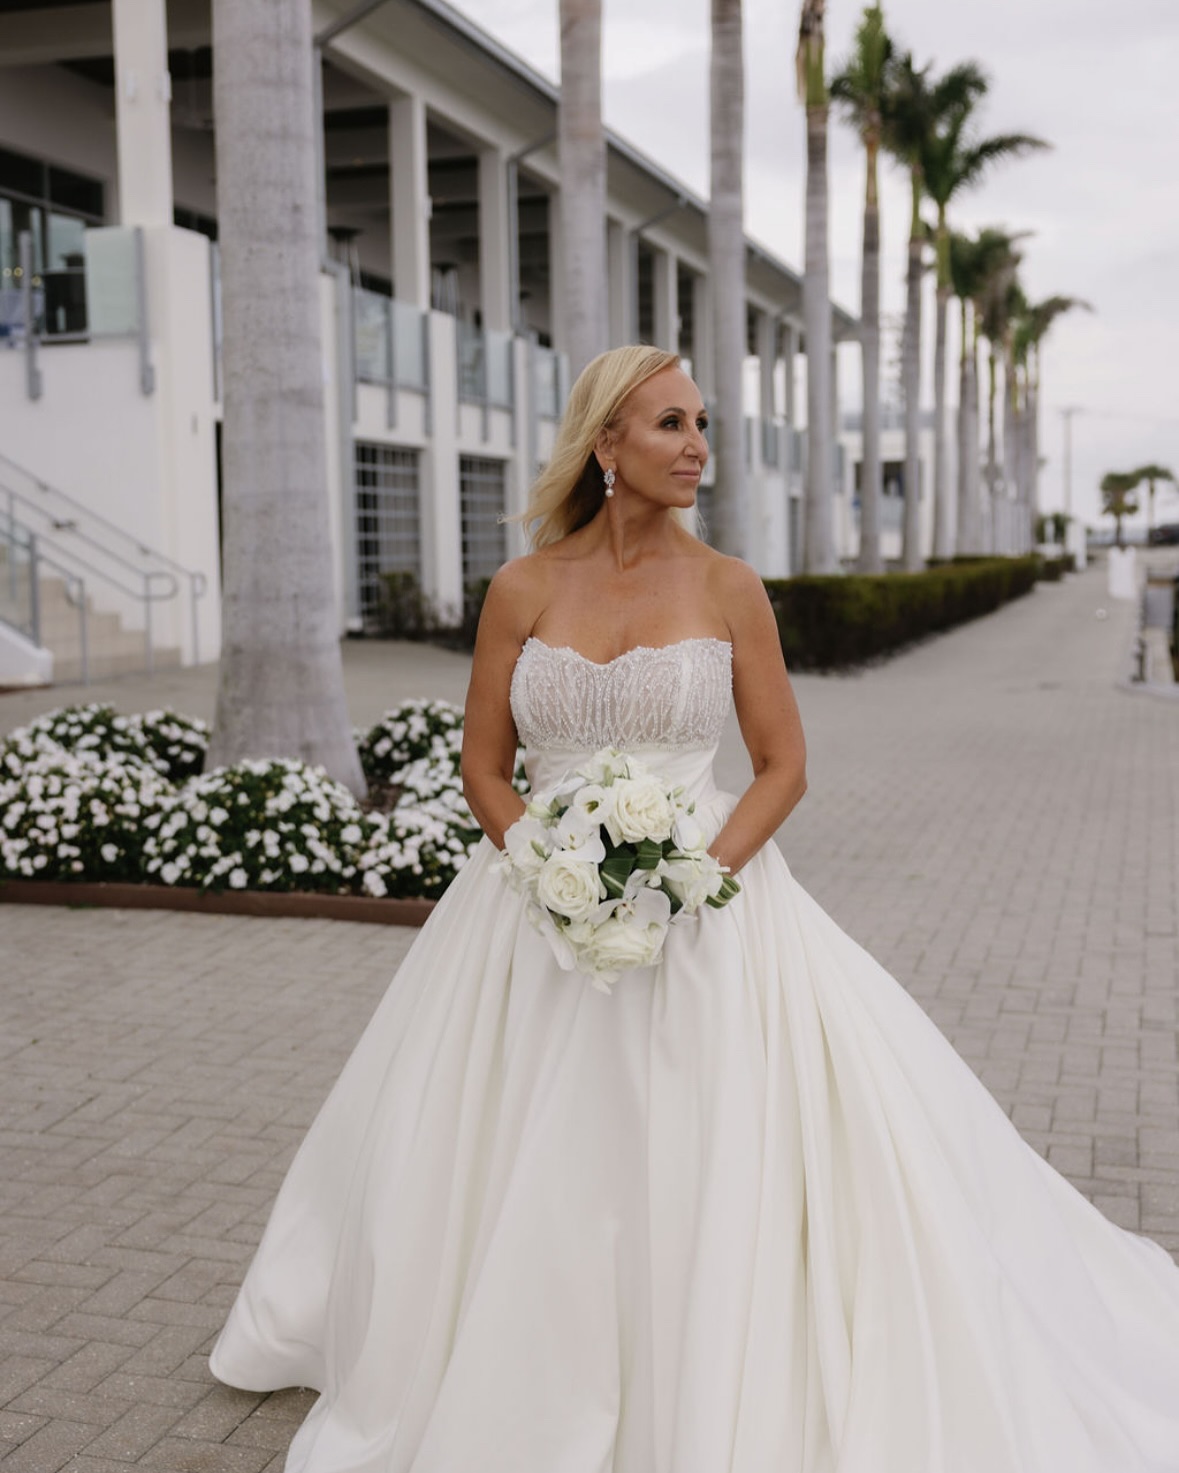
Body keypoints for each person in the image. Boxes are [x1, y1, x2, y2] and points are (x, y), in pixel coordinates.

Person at [210, 346, 1179, 1473]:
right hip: (533, 913)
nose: (698, 447)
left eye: (702, 424)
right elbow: (485, 765)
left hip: (710, 905)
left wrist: (695, 879)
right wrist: (544, 864)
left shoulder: (729, 587)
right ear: (605, 445)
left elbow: (781, 765)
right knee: (501, 1144)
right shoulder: (522, 588)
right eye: (670, 425)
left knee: (702, 1145)